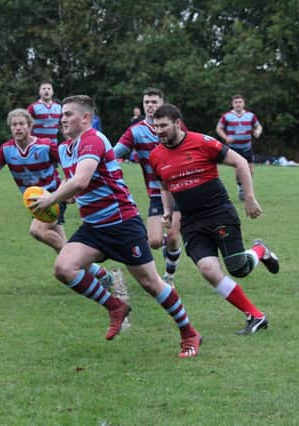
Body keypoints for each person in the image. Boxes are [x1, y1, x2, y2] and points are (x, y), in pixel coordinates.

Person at [29, 95, 202, 358]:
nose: (62, 119)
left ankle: (189, 332)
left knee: (151, 283)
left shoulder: (94, 139)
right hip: (94, 227)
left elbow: (81, 181)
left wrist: (50, 199)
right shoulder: (65, 149)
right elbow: (75, 188)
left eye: (68, 114)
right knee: (64, 268)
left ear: (86, 118)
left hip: (122, 224)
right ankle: (114, 307)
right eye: (61, 115)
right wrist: (57, 198)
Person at [149, 103, 279, 335]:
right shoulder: (156, 155)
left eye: (163, 126)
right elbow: (164, 186)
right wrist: (167, 210)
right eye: (155, 126)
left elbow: (239, 161)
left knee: (238, 268)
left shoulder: (202, 142)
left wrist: (249, 198)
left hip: (219, 213)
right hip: (191, 221)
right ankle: (256, 316)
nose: (158, 130)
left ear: (177, 123)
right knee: (209, 269)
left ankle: (260, 250)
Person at [0, 108, 114, 289]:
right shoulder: (6, 150)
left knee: (37, 231)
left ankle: (92, 269)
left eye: (21, 124)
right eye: (14, 125)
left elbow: (70, 165)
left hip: (53, 196)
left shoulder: (45, 146)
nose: (18, 128)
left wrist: (69, 190)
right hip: (35, 203)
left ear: (30, 126)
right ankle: (93, 273)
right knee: (60, 243)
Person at [114, 88, 182, 287]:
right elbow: (114, 152)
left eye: (154, 102)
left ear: (162, 103)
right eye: (146, 102)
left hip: (179, 190)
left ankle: (169, 276)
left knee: (172, 237)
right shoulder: (135, 131)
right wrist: (102, 160)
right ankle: (166, 248)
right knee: (153, 241)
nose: (150, 105)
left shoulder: (175, 126)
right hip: (155, 192)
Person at [216, 94, 263, 201]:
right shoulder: (226, 116)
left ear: (243, 103)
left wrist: (257, 132)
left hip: (247, 147)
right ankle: (241, 188)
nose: (238, 104)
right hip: (233, 148)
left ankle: (246, 190)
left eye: (240, 102)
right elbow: (219, 128)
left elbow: (259, 126)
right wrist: (225, 137)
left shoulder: (250, 116)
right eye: (236, 102)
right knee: (239, 170)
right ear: (232, 104)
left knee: (250, 171)